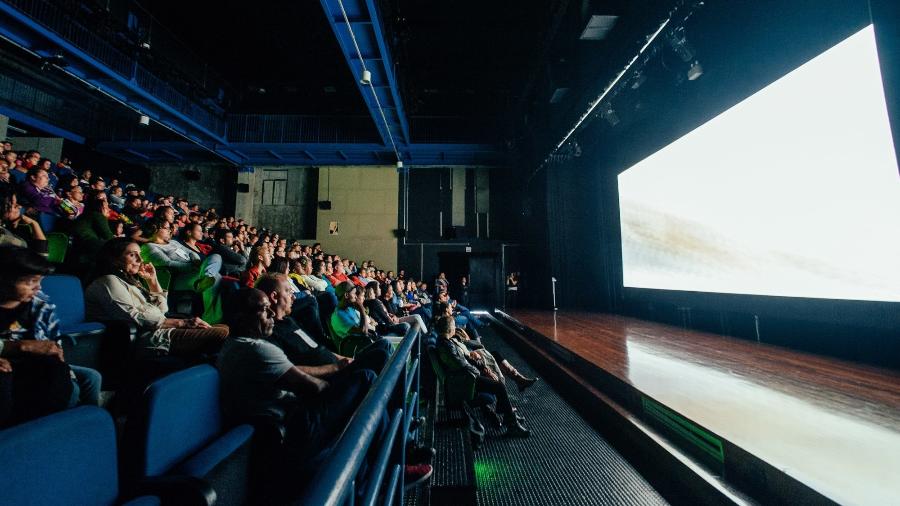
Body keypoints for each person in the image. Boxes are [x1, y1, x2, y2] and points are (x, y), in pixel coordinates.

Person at [0, 246, 101, 427]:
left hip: (35, 364)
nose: (38, 287)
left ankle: (83, 429)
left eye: (39, 281)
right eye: (30, 281)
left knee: (89, 378)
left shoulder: (40, 305)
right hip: (11, 368)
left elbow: (53, 343)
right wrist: (16, 347)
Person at [85, 238, 228, 358]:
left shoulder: (130, 281)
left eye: (139, 254)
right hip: (148, 338)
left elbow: (162, 310)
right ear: (114, 259)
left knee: (224, 328)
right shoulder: (108, 281)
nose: (140, 260)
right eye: (132, 255)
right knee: (221, 333)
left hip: (159, 330)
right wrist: (183, 323)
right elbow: (134, 316)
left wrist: (152, 281)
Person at [435, 315, 530, 437]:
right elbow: (462, 365)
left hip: (464, 377)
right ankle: (512, 425)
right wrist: (482, 371)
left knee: (497, 382)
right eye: (454, 326)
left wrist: (475, 362)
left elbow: (462, 361)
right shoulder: (447, 345)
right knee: (499, 386)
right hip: (466, 380)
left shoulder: (444, 342)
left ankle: (509, 416)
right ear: (449, 328)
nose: (455, 328)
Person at [0, 185, 47, 255]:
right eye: (14, 205)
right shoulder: (16, 243)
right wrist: (34, 223)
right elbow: (42, 258)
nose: (19, 207)